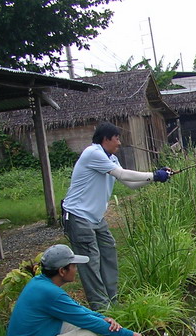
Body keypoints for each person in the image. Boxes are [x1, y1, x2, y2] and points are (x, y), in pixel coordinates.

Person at [62, 121, 172, 310]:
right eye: (117, 138)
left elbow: (130, 183)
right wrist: (153, 175)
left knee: (109, 252)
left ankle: (113, 302)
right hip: (78, 216)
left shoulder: (111, 158)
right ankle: (101, 311)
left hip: (96, 218)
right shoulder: (93, 153)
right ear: (106, 139)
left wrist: (156, 178)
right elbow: (121, 174)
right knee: (91, 262)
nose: (119, 142)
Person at [6, 244, 146, 336]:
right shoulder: (51, 293)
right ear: (62, 271)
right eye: (73, 266)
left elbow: (79, 311)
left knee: (77, 323)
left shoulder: (40, 283)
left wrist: (103, 318)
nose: (76, 269)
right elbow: (87, 320)